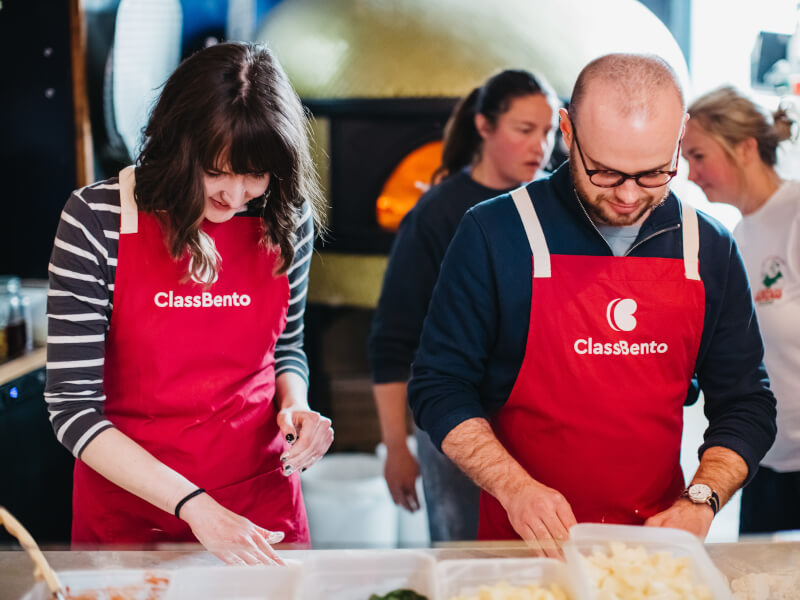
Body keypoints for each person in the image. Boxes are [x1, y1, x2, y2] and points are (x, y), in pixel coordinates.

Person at [408, 53, 777, 552]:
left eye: (653, 173)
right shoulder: (495, 232)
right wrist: (514, 488)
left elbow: (747, 403)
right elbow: (439, 385)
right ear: (567, 130)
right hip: (523, 545)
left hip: (654, 547)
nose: (628, 196)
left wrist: (701, 499)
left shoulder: (707, 246)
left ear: (681, 134)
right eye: (605, 172)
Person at [45, 42, 333, 565]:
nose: (236, 194)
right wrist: (194, 505)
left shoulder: (286, 217)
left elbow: (286, 345)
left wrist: (297, 405)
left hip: (257, 508)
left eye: (257, 174)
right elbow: (72, 408)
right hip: (131, 516)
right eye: (216, 171)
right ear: (178, 146)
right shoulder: (99, 218)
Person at [368, 70, 560, 542]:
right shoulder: (437, 215)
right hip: (459, 424)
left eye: (550, 131)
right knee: (467, 558)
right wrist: (397, 446)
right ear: (484, 126)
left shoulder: (561, 207)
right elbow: (393, 339)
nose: (541, 146)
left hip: (545, 421)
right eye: (525, 130)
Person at [683, 85, 800, 534]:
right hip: (767, 462)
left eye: (699, 156)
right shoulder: (737, 235)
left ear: (746, 147)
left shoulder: (793, 215)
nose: (691, 175)